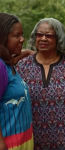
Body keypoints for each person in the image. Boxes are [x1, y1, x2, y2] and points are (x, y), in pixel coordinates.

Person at [15, 18, 65, 150]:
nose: (43, 39)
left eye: (49, 35)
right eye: (39, 34)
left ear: (59, 38)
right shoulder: (22, 66)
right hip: (30, 144)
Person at [0, 13, 33, 150]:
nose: (22, 39)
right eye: (16, 36)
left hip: (23, 141)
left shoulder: (8, 64)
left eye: (22, 35)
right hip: (9, 144)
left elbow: (14, 58)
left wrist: (28, 53)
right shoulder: (1, 65)